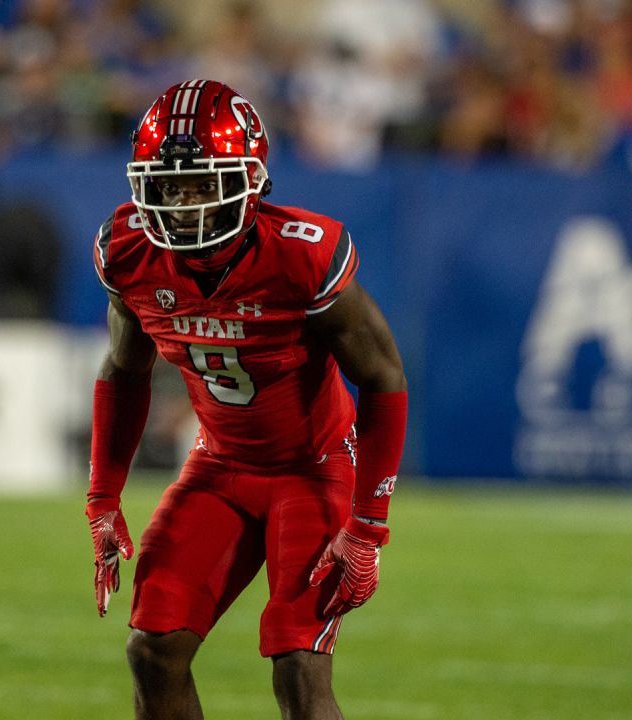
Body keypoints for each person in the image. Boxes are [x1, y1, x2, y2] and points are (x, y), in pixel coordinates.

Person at [85, 79, 407, 719]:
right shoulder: (129, 252)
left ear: (250, 179)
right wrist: (102, 496)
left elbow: (383, 377)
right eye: (170, 186)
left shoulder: (298, 254)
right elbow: (124, 367)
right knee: (152, 649)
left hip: (312, 468)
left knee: (298, 667)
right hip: (220, 466)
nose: (185, 205)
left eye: (204, 184)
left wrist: (367, 527)